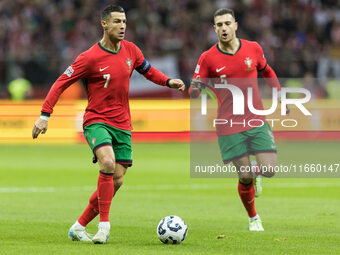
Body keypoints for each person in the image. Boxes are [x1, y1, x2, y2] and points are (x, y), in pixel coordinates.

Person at [32, 5, 185, 244]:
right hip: (96, 120)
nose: (122, 26)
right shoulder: (89, 57)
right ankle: (104, 226)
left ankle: (79, 226)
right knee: (107, 162)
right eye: (116, 21)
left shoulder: (131, 50)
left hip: (123, 123)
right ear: (104, 24)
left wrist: (168, 82)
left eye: (124, 21)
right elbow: (61, 83)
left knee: (118, 178)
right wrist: (45, 114)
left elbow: (148, 71)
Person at [190, 8, 288, 231]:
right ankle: (254, 218)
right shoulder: (207, 58)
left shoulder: (253, 48)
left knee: (270, 170)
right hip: (229, 125)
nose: (223, 28)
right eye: (219, 25)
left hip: (256, 119)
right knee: (245, 176)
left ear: (235, 25)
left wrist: (280, 94)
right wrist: (196, 88)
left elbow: (268, 71)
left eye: (227, 23)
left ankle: (257, 171)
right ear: (214, 29)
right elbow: (194, 90)